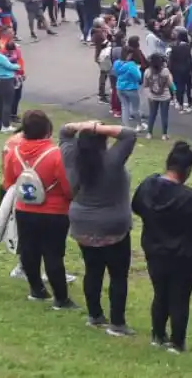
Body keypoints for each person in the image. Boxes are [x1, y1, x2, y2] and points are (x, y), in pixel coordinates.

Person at [132, 142, 192, 354]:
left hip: (155, 250)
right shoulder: (189, 198)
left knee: (160, 294)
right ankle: (177, 342)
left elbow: (136, 206)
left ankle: (158, 335)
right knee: (179, 298)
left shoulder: (147, 187)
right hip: (184, 255)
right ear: (187, 169)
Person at [61, 120, 138, 336]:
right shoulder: (112, 161)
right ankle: (117, 323)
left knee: (92, 270)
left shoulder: (71, 158)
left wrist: (82, 126)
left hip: (82, 224)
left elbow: (64, 132)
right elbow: (129, 134)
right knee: (118, 275)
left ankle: (95, 316)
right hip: (113, 226)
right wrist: (96, 127)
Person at [1, 111, 75, 309]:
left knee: (29, 250)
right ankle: (61, 299)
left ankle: (37, 290)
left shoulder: (14, 152)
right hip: (54, 212)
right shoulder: (56, 154)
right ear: (47, 130)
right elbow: (67, 187)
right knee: (53, 254)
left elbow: (8, 182)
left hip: (24, 209)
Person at [143, 53, 174, 141]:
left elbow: (145, 85)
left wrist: (148, 95)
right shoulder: (165, 71)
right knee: (164, 115)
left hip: (152, 96)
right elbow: (170, 84)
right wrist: (174, 91)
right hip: (165, 96)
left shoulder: (147, 72)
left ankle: (149, 133)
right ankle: (164, 135)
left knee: (152, 115)